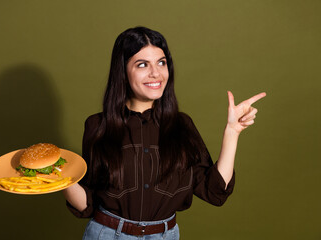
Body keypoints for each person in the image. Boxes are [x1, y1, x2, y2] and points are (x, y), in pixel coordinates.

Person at [63, 26, 266, 240]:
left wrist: (232, 132)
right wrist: (60, 177)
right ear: (122, 71)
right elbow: (86, 205)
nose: (156, 73)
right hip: (106, 235)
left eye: (161, 63)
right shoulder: (98, 125)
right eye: (142, 64)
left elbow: (214, 192)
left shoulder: (182, 125)